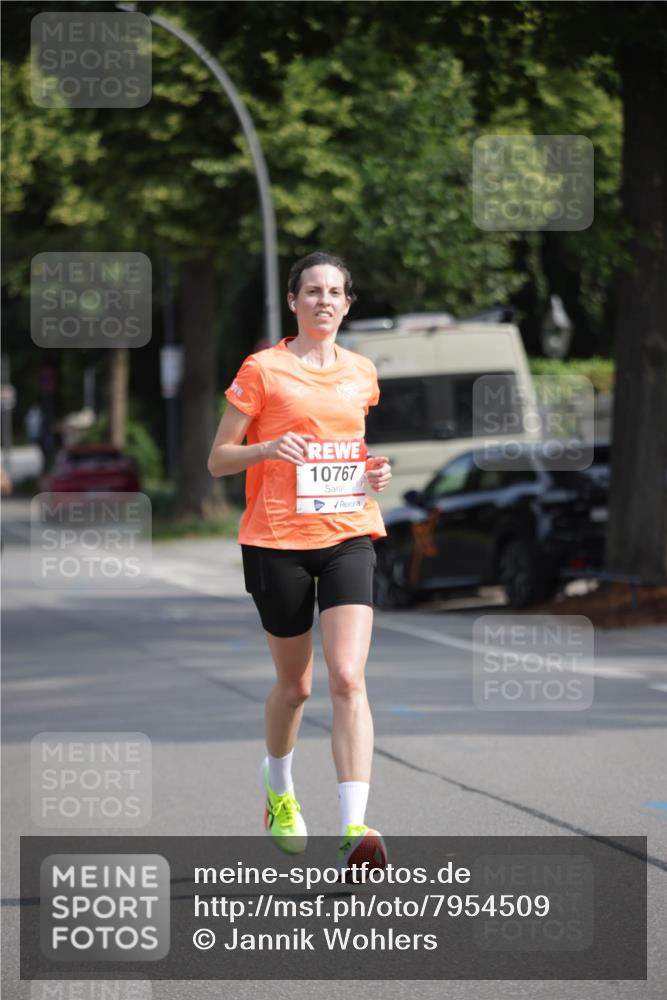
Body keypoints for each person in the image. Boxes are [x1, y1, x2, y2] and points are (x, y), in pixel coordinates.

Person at [207, 251, 392, 872]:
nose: (324, 301)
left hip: (348, 533)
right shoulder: (263, 369)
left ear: (347, 303)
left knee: (347, 677)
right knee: (297, 687)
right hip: (276, 541)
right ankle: (279, 788)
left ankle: (355, 826)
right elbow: (218, 459)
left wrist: (373, 470)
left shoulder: (362, 372)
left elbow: (350, 448)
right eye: (312, 291)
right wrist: (266, 448)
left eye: (335, 292)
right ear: (293, 302)